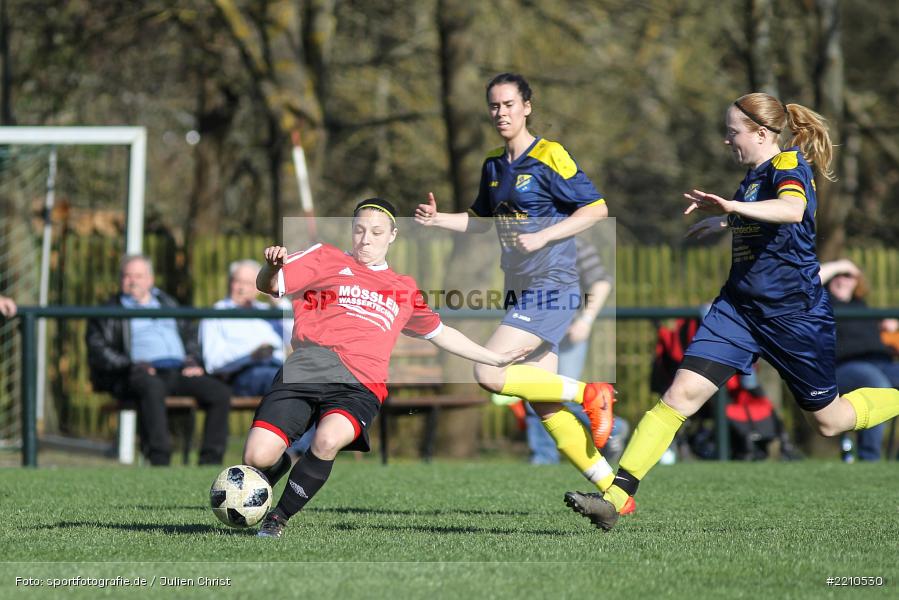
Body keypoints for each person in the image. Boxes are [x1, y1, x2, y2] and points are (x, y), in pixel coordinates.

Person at [565, 92, 899, 531]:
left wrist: (732, 208)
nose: (726, 140)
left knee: (830, 422)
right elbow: (762, 217)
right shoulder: (753, 176)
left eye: (732, 132)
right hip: (737, 312)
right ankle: (616, 497)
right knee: (677, 397)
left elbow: (792, 209)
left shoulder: (787, 166)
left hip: (793, 317)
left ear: (761, 133)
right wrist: (724, 220)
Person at [245, 198, 532, 538]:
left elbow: (441, 334)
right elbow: (267, 285)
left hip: (360, 383)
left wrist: (494, 358)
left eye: (376, 232)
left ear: (392, 235)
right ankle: (268, 471)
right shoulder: (325, 257)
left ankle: (277, 519)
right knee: (257, 455)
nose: (366, 239)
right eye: (360, 230)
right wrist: (272, 267)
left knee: (327, 440)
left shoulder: (404, 288)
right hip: (307, 367)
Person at [415, 73, 626, 509]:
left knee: (489, 372)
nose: (501, 113)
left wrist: (546, 237)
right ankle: (616, 495)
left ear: (527, 106)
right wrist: (438, 220)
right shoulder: (493, 164)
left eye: (509, 104)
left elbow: (597, 208)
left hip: (553, 286)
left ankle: (591, 393)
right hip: (520, 290)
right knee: (544, 403)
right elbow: (480, 221)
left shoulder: (551, 155)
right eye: (494, 106)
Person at [86, 255, 231, 466]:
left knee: (220, 392)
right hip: (137, 373)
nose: (133, 280)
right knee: (151, 388)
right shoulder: (108, 311)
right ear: (120, 279)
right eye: (127, 276)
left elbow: (190, 335)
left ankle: (210, 461)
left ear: (150, 279)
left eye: (138, 275)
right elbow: (99, 349)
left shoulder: (167, 302)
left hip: (179, 370)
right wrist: (130, 363)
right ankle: (159, 459)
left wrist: (192, 359)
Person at [524, 237, 629, 464]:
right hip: (535, 329)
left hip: (568, 331)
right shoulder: (523, 242)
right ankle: (543, 459)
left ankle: (613, 426)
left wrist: (586, 320)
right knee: (533, 392)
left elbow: (601, 282)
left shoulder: (575, 243)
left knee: (562, 394)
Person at [820, 258, 899, 461]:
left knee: (881, 378)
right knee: (877, 385)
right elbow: (809, 279)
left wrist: (884, 324)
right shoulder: (821, 301)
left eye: (849, 276)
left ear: (857, 281)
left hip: (881, 362)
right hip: (846, 365)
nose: (843, 280)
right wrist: (842, 265)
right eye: (838, 275)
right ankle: (869, 458)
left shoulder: (862, 306)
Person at [199, 259, 285, 396]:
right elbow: (212, 363)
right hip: (243, 374)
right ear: (229, 283)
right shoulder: (216, 313)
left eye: (249, 283)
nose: (242, 288)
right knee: (286, 383)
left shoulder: (268, 310)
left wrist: (275, 297)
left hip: (278, 369)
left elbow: (296, 334)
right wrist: (251, 356)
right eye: (237, 281)